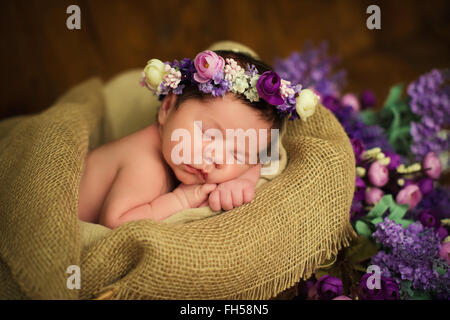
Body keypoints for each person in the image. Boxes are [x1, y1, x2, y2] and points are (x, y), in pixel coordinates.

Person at [78, 49, 319, 229]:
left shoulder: (179, 154)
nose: (213, 157)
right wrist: (180, 200)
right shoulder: (145, 162)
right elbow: (114, 223)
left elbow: (261, 159)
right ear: (168, 107)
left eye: (237, 154)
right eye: (207, 134)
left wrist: (244, 179)